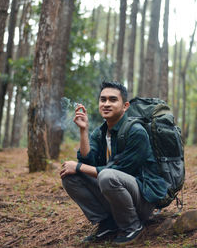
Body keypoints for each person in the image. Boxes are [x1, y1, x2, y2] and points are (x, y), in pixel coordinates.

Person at [60, 81, 168, 244]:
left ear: (125, 106)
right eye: (103, 100)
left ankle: (132, 226)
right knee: (70, 177)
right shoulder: (101, 132)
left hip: (143, 200)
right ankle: (108, 223)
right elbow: (87, 160)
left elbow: (119, 169)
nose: (106, 104)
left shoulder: (136, 132)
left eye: (112, 100)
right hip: (117, 190)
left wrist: (79, 166)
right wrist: (83, 130)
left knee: (106, 176)